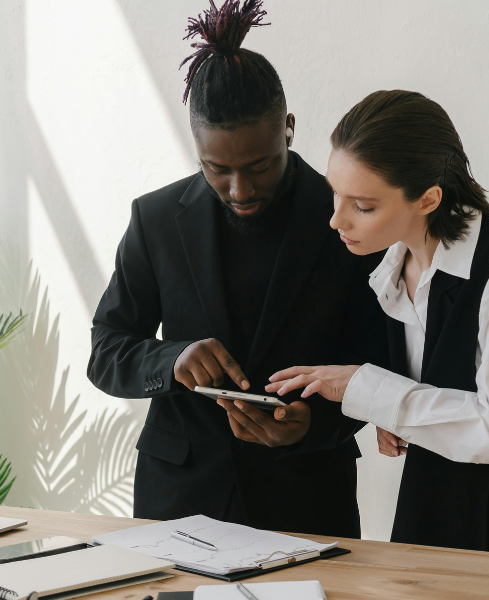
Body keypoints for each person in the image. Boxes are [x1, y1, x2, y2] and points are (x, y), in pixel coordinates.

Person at [87, 0, 385, 539]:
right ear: (195, 143)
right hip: (177, 500)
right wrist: (172, 358)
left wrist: (311, 425)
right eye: (216, 169)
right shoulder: (154, 220)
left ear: (288, 128)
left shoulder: (347, 217)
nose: (240, 190)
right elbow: (107, 349)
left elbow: (382, 361)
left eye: (260, 165)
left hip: (307, 498)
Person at [267, 90, 489, 559]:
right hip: (433, 516)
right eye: (335, 194)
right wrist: (394, 411)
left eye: (362, 206)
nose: (335, 219)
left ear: (428, 199)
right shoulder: (390, 268)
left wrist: (373, 392)